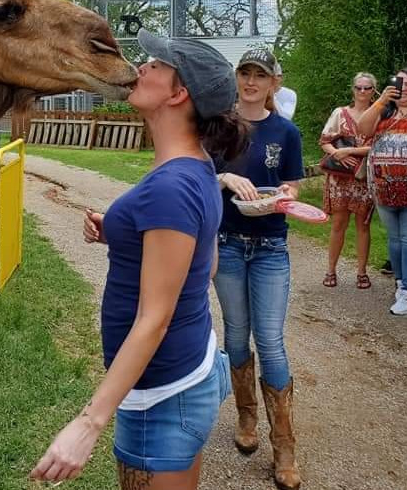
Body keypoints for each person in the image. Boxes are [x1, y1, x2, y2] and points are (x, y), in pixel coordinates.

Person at [31, 29, 249, 489]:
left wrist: (88, 424)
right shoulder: (196, 167)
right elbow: (203, 266)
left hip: (161, 398)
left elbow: (156, 318)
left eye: (157, 64)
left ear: (179, 93)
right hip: (191, 370)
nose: (141, 66)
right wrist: (125, 232)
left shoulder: (172, 185)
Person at [212, 47, 304, 490]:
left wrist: (282, 193)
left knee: (270, 340)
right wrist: (225, 178)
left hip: (270, 247)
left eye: (260, 75)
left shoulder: (286, 132)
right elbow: (200, 174)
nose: (251, 81)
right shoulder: (220, 127)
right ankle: (246, 418)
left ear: (273, 84)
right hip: (227, 244)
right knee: (234, 335)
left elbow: (292, 188)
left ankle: (284, 446)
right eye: (245, 73)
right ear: (237, 78)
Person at [357, 68, 407, 315]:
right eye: (399, 83)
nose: (404, 88)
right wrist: (380, 101)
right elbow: (363, 129)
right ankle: (401, 284)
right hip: (384, 192)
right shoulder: (385, 112)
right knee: (395, 241)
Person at [319, 73, 376, 289]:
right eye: (358, 87)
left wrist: (351, 150)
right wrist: (336, 153)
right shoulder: (340, 113)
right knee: (338, 224)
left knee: (363, 225)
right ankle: (331, 270)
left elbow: (379, 146)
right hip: (340, 177)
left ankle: (362, 272)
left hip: (363, 177)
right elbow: (324, 140)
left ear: (374, 91)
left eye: (367, 88)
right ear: (352, 89)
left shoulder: (380, 115)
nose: (362, 92)